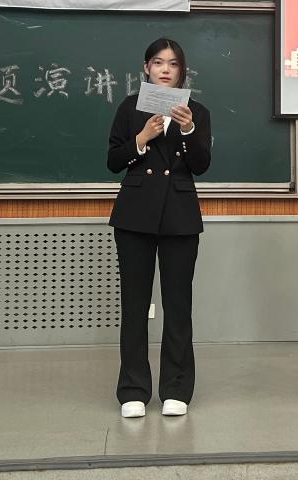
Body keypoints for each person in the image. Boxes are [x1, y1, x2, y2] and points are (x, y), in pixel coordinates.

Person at [106, 38, 212, 419]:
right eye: (158, 63)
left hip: (179, 216)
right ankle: (133, 389)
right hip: (135, 215)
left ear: (183, 71)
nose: (165, 70)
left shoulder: (196, 111)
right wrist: (141, 139)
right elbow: (113, 160)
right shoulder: (129, 107)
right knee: (134, 305)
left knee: (178, 305)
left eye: (173, 64)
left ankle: (176, 388)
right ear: (146, 68)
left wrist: (188, 130)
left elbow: (201, 165)